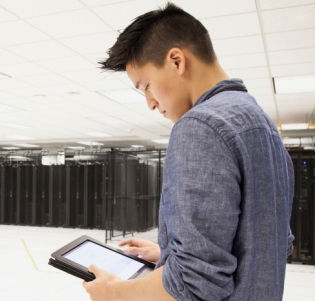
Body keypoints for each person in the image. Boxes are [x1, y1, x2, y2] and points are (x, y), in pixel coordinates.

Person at [82, 2, 294, 301]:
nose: (150, 103)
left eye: (146, 86)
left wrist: (116, 293)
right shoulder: (261, 122)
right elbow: (271, 244)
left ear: (176, 61)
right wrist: (168, 254)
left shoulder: (199, 127)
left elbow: (196, 284)